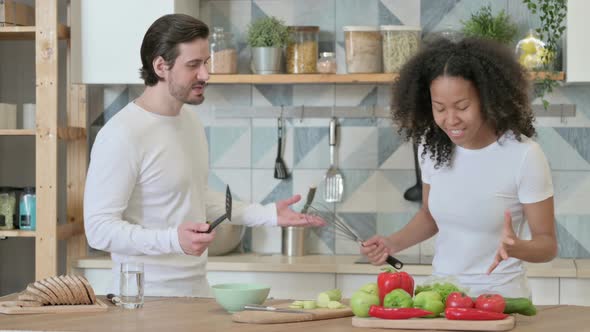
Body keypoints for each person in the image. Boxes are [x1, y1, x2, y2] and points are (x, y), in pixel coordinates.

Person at [83, 14, 324, 297]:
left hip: (196, 292)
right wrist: (173, 239)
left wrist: (267, 214)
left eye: (206, 62)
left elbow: (194, 194)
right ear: (161, 66)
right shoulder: (122, 134)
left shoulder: (190, 122)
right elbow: (99, 230)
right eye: (193, 65)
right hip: (144, 299)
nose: (206, 75)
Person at [361, 37, 557, 298]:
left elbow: (547, 244)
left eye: (462, 106)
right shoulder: (431, 149)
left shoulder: (524, 155)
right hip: (441, 294)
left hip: (499, 299)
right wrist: (391, 243)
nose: (450, 119)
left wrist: (518, 248)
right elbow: (430, 216)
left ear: (488, 100)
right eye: (439, 108)